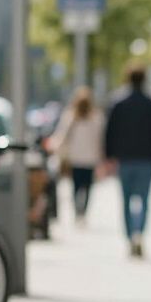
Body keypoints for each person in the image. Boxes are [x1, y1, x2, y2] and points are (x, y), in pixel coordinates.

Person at [104, 65, 151, 258]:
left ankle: (130, 235)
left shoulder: (118, 103)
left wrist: (108, 156)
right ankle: (139, 233)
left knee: (126, 200)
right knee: (144, 200)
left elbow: (110, 132)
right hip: (146, 159)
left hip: (124, 159)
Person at [50, 86, 105, 223]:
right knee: (87, 187)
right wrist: (101, 156)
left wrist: (56, 147)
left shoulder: (71, 116)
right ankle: (83, 212)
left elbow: (62, 135)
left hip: (75, 158)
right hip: (90, 158)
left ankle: (77, 211)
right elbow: (100, 138)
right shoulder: (96, 117)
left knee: (76, 186)